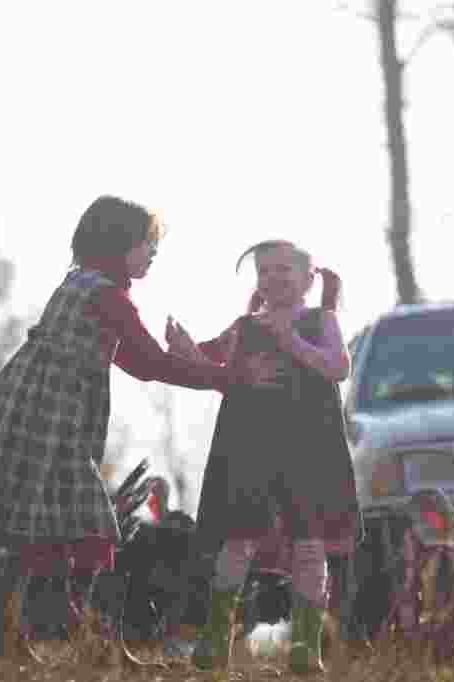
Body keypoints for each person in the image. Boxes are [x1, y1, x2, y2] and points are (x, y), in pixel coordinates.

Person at [0, 196, 279, 662]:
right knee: (91, 533)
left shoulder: (81, 284)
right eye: (145, 243)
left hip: (37, 418)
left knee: (27, 531)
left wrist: (208, 352)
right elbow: (151, 364)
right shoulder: (107, 296)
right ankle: (95, 641)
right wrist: (228, 377)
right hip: (53, 427)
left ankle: (14, 641)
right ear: (119, 244)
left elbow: (139, 360)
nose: (152, 252)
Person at [165, 239, 361, 674]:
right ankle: (215, 639)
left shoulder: (320, 320)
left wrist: (290, 340)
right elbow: (209, 366)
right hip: (251, 449)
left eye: (283, 270)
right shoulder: (244, 326)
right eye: (264, 272)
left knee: (309, 544)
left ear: (309, 279)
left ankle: (305, 647)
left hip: (308, 448)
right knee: (240, 538)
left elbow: (338, 367)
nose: (272, 279)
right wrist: (182, 348)